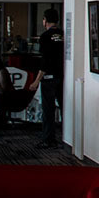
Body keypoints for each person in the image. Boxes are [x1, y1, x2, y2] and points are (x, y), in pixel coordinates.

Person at [37, 8, 62, 148]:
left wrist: (36, 81)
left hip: (48, 78)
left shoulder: (45, 36)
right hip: (61, 76)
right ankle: (66, 136)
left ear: (45, 20)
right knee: (64, 107)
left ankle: (48, 139)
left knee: (48, 110)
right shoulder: (63, 34)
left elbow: (45, 61)